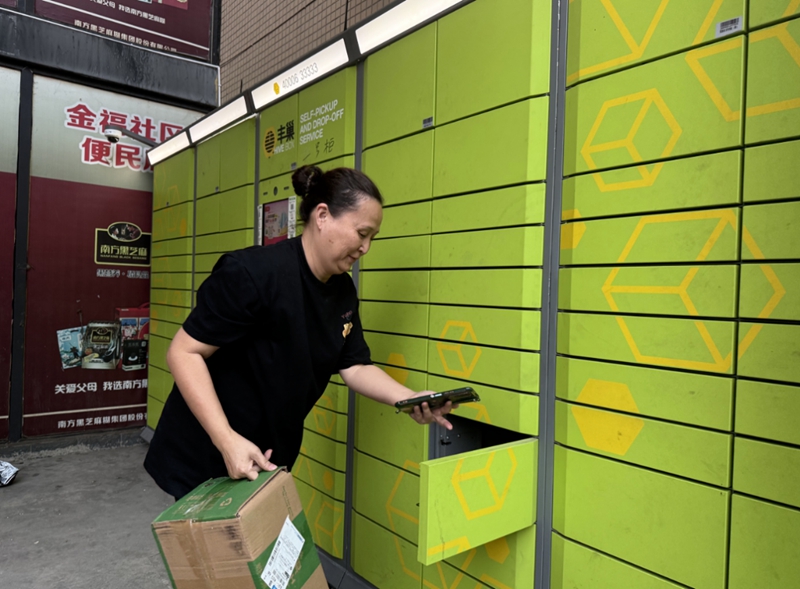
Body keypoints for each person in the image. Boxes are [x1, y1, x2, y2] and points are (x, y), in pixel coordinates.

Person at [144, 165, 454, 499]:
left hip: (268, 454)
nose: (366, 247)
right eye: (362, 233)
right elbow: (184, 352)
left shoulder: (342, 291)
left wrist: (409, 398)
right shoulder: (253, 273)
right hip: (209, 449)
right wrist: (227, 440)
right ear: (322, 216)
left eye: (372, 238)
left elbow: (354, 366)